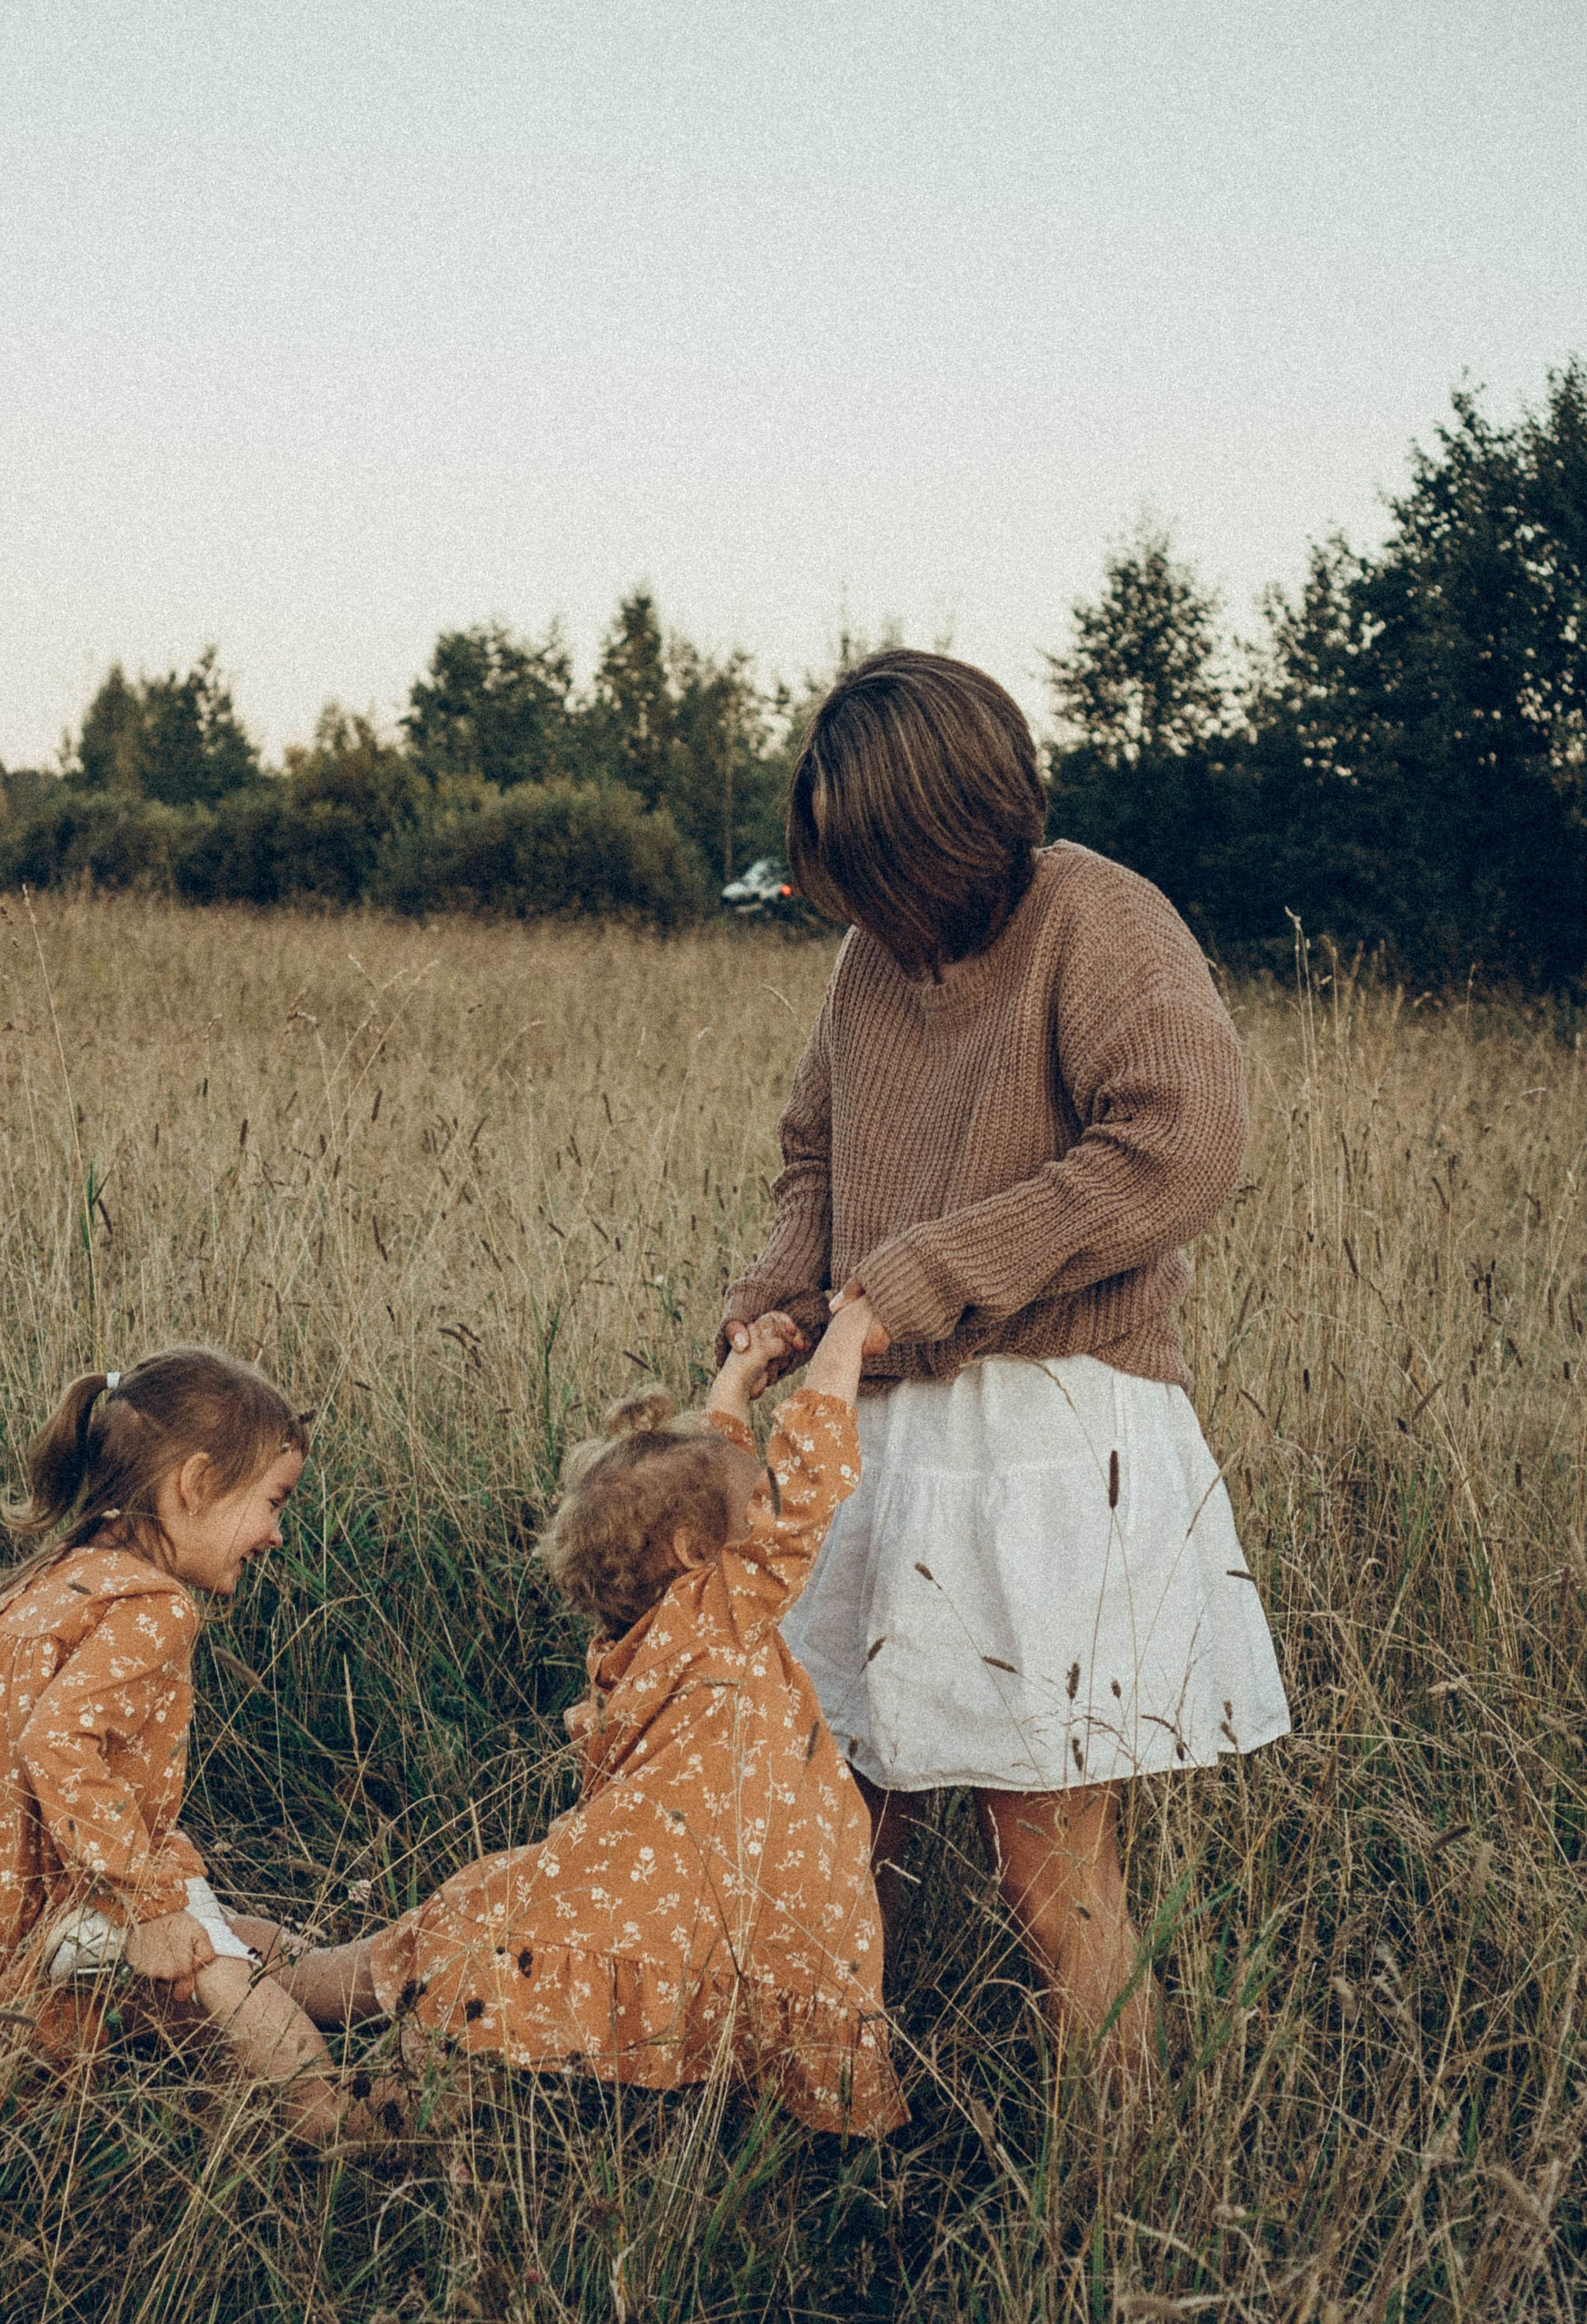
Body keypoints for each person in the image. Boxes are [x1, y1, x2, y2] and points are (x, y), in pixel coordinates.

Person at [720, 651, 1289, 2096]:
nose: (853, 887)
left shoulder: (1095, 915)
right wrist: (789, 1291)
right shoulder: (868, 962)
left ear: (950, 819)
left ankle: (1118, 2179)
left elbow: (1178, 1144)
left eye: (872, 849)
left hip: (1056, 1429)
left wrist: (920, 1276)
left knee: (1045, 1848)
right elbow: (816, 1155)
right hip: (884, 1429)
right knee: (843, 1808)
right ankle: (828, 2128)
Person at [281, 1302, 908, 2140]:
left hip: (633, 1888)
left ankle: (239, 1968)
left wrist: (734, 1385)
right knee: (428, 2072)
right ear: (696, 1552)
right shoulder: (720, 1616)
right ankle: (317, 2100)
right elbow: (802, 1488)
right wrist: (842, 1346)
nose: (760, 1491)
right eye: (745, 1496)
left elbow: (714, 1485)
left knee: (425, 1964)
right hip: (711, 1906)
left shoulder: (645, 1635)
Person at [0, 1346, 390, 2145]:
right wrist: (142, 1901)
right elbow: (56, 1742)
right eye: (272, 1501)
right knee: (212, 1964)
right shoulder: (155, 1606)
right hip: (54, 1879)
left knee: (232, 1932)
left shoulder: (63, 1576)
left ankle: (366, 1991)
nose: (275, 1535)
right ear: (194, 1484)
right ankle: (325, 2110)